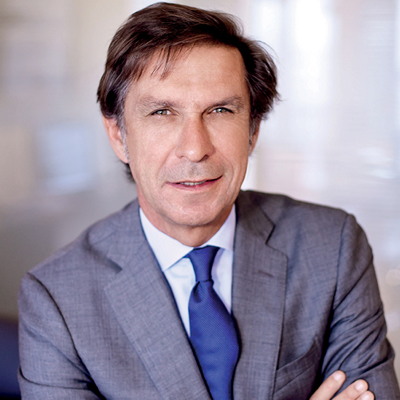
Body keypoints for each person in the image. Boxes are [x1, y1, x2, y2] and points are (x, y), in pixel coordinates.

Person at [18, 2, 400, 399]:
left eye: (220, 110)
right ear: (119, 135)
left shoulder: (332, 246)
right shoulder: (56, 297)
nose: (195, 148)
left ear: (252, 130)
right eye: (162, 112)